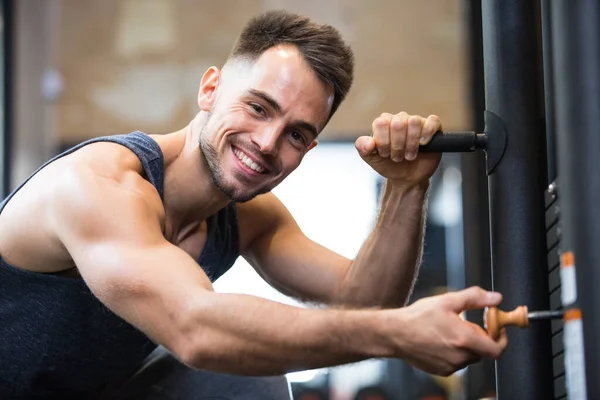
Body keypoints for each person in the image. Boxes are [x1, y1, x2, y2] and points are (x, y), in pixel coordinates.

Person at [0, 9, 507, 400]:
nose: (267, 143)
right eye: (258, 107)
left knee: (242, 380)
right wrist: (396, 334)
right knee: (223, 351)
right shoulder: (99, 184)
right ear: (211, 88)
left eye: (296, 134)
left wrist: (406, 188)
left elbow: (366, 301)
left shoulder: (245, 218)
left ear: (308, 151)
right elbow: (196, 328)